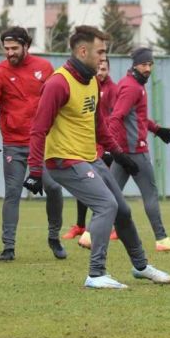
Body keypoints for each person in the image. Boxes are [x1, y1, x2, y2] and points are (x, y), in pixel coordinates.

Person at [24, 25, 170, 289]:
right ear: (83, 51)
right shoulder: (58, 83)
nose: (104, 58)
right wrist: (35, 171)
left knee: (123, 211)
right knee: (107, 206)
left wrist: (118, 154)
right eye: (100, 52)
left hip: (89, 158)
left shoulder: (92, 80)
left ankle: (141, 266)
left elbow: (99, 126)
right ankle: (95, 274)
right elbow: (38, 128)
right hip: (63, 161)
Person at [0, 26, 66, 261]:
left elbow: (59, 103)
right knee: (12, 193)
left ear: (26, 46)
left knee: (53, 187)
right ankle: (8, 247)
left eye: (14, 48)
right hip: (13, 144)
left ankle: (54, 236)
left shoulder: (44, 68)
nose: (10, 53)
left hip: (43, 143)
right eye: (6, 48)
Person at [107, 48, 170, 252]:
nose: (148, 68)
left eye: (150, 64)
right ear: (135, 65)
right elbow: (117, 117)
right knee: (150, 193)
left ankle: (90, 234)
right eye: (144, 64)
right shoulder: (133, 88)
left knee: (109, 194)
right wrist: (111, 146)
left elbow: (137, 118)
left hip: (124, 151)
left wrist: (157, 129)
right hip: (135, 151)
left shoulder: (128, 84)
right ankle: (161, 238)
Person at [62, 58, 119, 244]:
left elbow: (114, 119)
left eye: (104, 69)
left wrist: (111, 146)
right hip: (88, 144)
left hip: (104, 146)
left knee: (103, 189)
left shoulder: (113, 90)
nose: (100, 72)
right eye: (98, 68)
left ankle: (101, 229)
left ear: (109, 70)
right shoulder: (88, 85)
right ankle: (81, 226)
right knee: (89, 185)